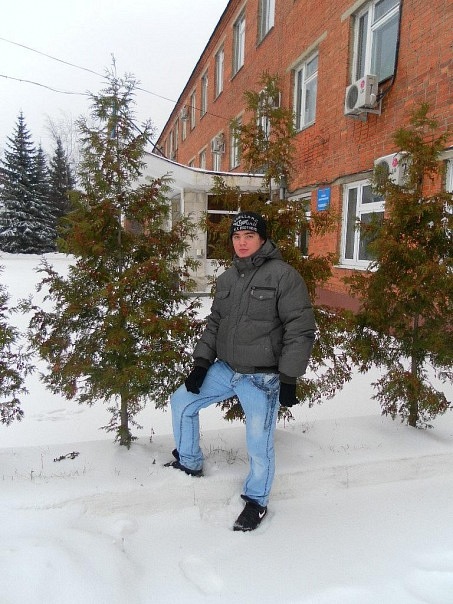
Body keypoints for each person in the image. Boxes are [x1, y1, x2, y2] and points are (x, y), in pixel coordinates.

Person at [166, 211, 316, 531]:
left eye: (249, 236)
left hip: (262, 378)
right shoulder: (228, 279)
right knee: (182, 401)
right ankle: (189, 462)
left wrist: (289, 377)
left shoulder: (284, 277)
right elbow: (215, 324)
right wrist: (201, 363)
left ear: (262, 239)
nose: (242, 242)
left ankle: (256, 501)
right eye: (236, 236)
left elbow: (300, 329)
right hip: (226, 368)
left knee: (258, 442)